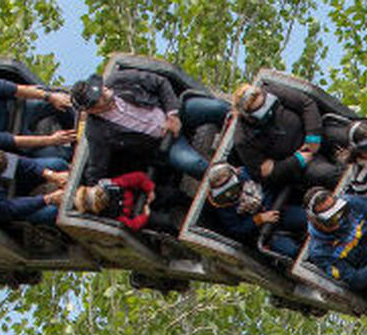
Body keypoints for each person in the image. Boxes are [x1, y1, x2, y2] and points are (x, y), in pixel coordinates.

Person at [70, 70, 229, 183]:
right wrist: (87, 187)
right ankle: (232, 181)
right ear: (92, 109)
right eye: (99, 97)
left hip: (175, 111)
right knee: (194, 164)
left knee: (217, 108)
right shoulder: (97, 132)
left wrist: (172, 114)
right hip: (165, 142)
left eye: (100, 88)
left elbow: (159, 82)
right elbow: (97, 167)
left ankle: (249, 120)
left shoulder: (117, 80)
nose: (104, 91)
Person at [231, 82, 341, 189]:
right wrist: (296, 161)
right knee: (327, 174)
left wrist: (313, 136)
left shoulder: (272, 90)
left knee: (348, 135)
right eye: (260, 109)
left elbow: (306, 104)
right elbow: (264, 171)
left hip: (315, 133)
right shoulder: (243, 138)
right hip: (300, 160)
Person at [199, 162, 307, 258]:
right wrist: (259, 219)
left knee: (305, 218)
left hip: (278, 210)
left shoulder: (246, 173)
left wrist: (272, 205)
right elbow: (236, 229)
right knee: (291, 251)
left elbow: (269, 183)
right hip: (265, 232)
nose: (230, 193)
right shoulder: (221, 204)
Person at [74, 171, 156, 232]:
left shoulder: (112, 185)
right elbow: (132, 225)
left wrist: (150, 189)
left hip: (143, 195)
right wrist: (145, 215)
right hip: (141, 212)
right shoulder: (109, 214)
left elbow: (138, 178)